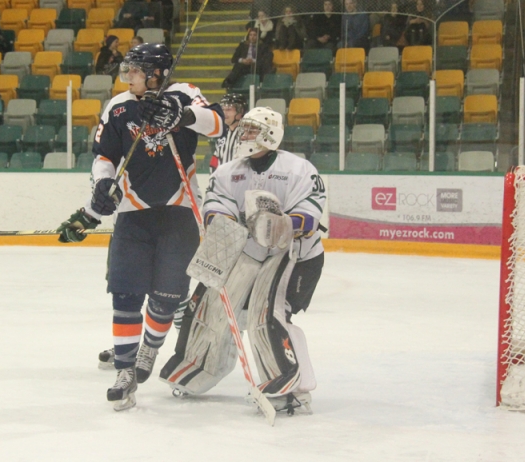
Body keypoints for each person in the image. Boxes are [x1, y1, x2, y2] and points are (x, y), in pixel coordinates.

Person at [56, 43, 223, 411]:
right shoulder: (118, 106)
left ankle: (150, 348)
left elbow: (217, 123)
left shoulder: (185, 95)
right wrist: (101, 185)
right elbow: (104, 157)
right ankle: (125, 370)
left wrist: (178, 114)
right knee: (126, 295)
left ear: (156, 74)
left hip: (178, 213)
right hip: (132, 214)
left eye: (134, 70)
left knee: (167, 298)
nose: (127, 76)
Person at [160, 107, 325, 412]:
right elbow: (216, 204)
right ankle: (199, 369)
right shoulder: (228, 171)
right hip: (247, 252)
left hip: (294, 256)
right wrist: (221, 220)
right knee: (211, 308)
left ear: (270, 134)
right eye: (245, 128)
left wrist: (284, 224)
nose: (244, 135)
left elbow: (311, 214)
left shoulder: (300, 169)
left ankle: (292, 385)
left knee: (269, 314)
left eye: (252, 130)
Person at [209, 93, 247, 172]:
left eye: (229, 109)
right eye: (223, 109)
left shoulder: (248, 134)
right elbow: (215, 161)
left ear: (240, 112)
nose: (224, 113)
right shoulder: (222, 133)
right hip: (222, 181)